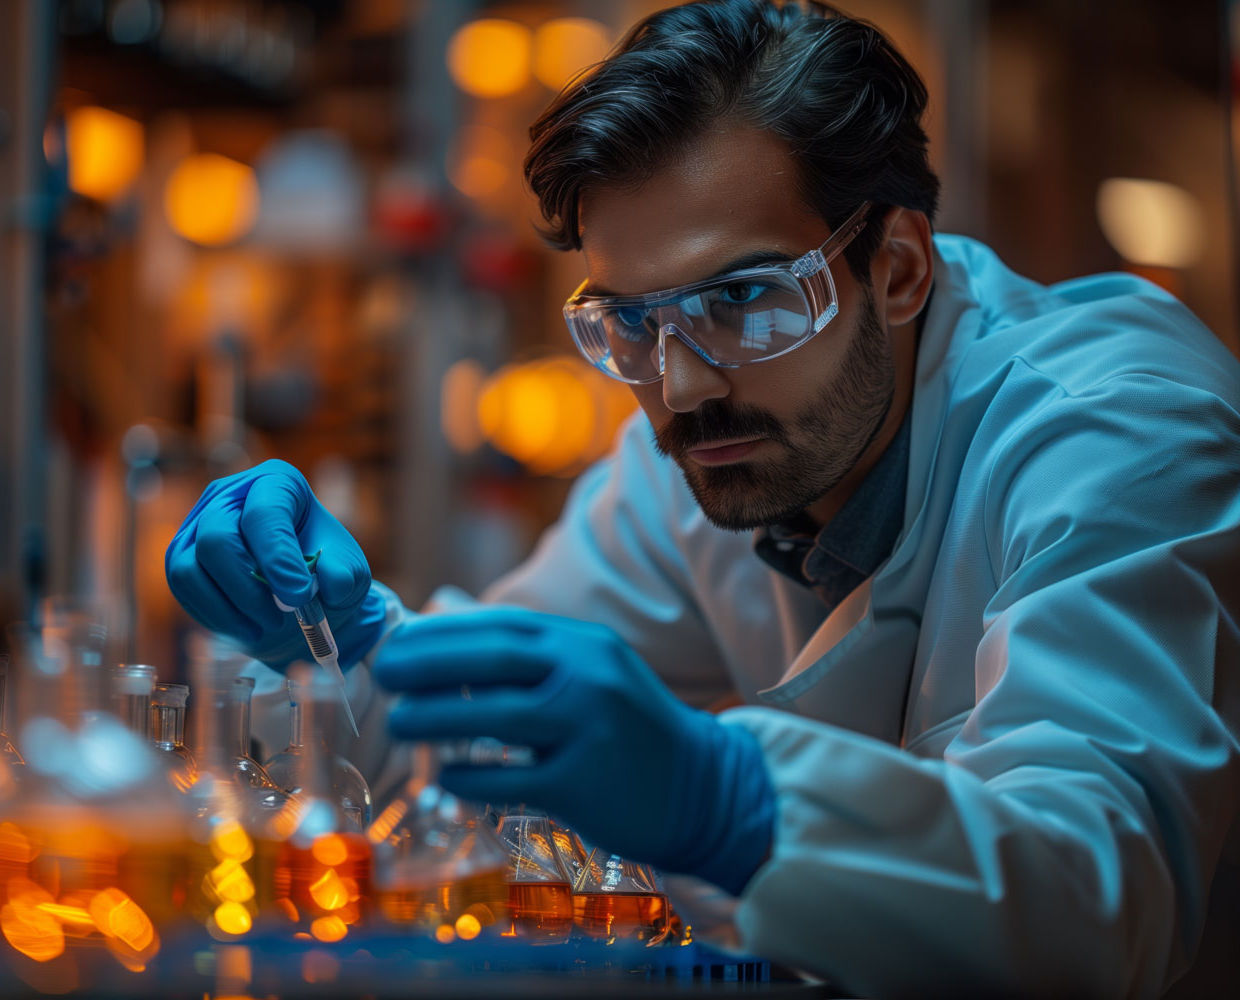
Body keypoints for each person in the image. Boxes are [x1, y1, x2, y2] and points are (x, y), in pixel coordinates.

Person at [165, 1, 1239, 995]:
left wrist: (730, 800)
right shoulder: (703, 453)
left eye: (742, 299)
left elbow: (1100, 904)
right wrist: (342, 649)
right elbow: (486, 746)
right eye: (629, 323)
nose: (678, 385)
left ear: (900, 267)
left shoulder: (1116, 427)